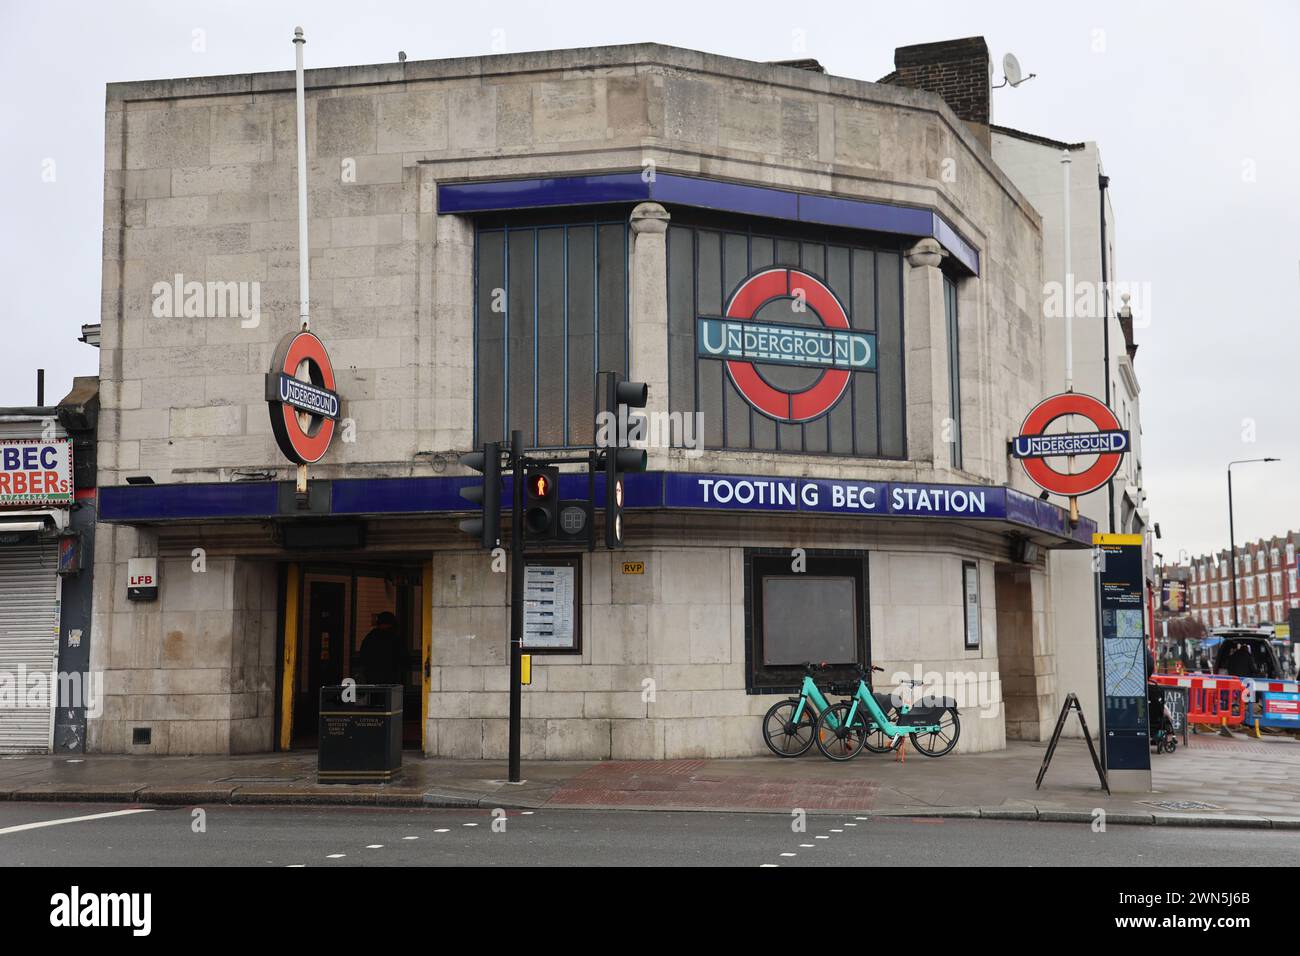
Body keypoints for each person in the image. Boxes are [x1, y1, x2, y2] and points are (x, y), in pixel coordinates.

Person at [356, 611, 408, 685]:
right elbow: (403, 657)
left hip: (372, 676)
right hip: (390, 676)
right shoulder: (394, 638)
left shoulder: (371, 637)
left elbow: (363, 656)